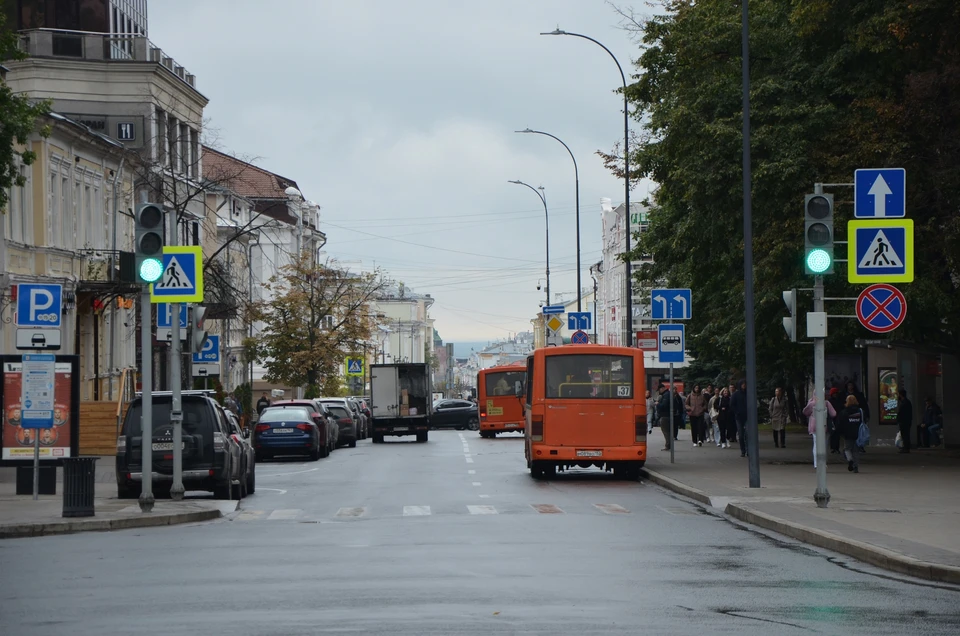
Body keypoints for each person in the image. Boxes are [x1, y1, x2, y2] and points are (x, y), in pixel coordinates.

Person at [803, 394, 837, 468]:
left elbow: (805, 412)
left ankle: (816, 463)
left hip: (814, 425)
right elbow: (833, 413)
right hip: (824, 425)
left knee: (815, 444)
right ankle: (823, 463)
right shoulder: (826, 403)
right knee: (823, 445)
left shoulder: (811, 402)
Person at [836, 395, 864, 473]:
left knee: (847, 449)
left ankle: (850, 459)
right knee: (856, 450)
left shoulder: (844, 412)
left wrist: (839, 432)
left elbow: (840, 423)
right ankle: (856, 467)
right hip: (858, 433)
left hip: (847, 434)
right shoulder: (860, 411)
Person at [730, 380, 749, 457]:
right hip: (739, 417)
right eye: (743, 384)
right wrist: (737, 412)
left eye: (745, 384)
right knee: (741, 435)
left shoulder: (748, 393)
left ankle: (748, 450)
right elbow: (732, 405)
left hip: (747, 416)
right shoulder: (736, 394)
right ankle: (743, 450)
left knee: (747, 434)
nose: (744, 385)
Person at [828, 387, 845, 454]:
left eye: (836, 393)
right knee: (832, 434)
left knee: (837, 434)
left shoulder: (840, 401)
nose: (835, 395)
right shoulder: (830, 401)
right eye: (834, 393)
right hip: (832, 419)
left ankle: (836, 448)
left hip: (838, 418)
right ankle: (833, 447)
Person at [896, 389, 913, 453]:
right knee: (906, 435)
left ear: (900, 395)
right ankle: (906, 447)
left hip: (904, 422)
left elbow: (901, 413)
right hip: (906, 421)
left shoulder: (904, 403)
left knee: (905, 435)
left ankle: (906, 448)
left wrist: (898, 420)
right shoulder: (907, 402)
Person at [657, 384, 673, 451]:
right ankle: (669, 444)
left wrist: (658, 404)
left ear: (662, 388)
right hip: (668, 415)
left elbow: (664, 405)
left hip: (665, 415)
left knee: (666, 431)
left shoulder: (666, 395)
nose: (659, 391)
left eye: (659, 390)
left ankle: (668, 445)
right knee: (668, 431)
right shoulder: (668, 394)